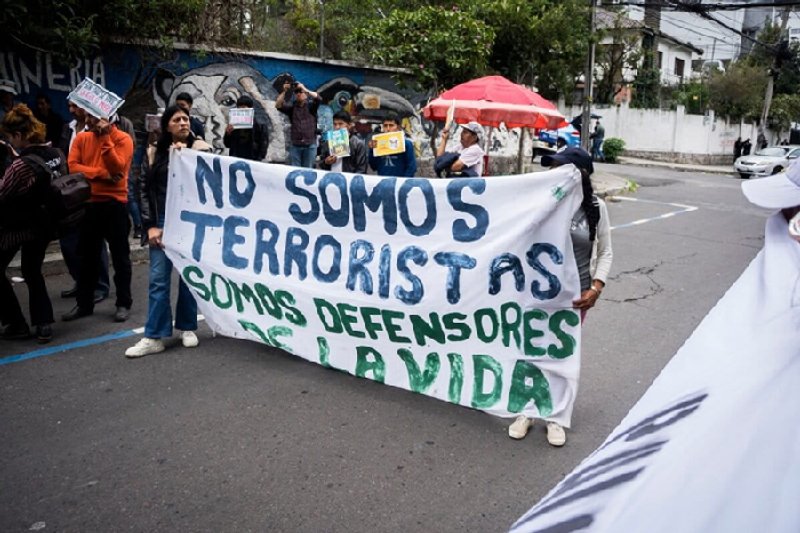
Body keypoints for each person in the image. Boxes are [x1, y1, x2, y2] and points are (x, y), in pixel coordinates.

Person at [508, 146, 613, 447]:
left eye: (561, 168)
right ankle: (525, 411)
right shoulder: (543, 203)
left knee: (560, 356)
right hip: (535, 293)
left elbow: (605, 252)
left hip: (575, 297)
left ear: (579, 175)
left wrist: (596, 288)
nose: (554, 173)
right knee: (528, 352)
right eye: (552, 168)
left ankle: (555, 417)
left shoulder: (596, 208)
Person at [125, 105, 212, 358]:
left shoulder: (202, 150)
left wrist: (188, 160)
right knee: (158, 280)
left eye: (186, 119)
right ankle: (154, 336)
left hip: (190, 221)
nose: (184, 123)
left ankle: (186, 327)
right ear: (167, 126)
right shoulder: (154, 152)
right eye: (177, 120)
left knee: (188, 277)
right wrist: (150, 225)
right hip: (162, 221)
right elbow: (142, 189)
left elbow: (212, 186)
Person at [0, 104, 66, 342]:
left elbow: (3, 192)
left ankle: (16, 323)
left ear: (18, 135)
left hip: (18, 227)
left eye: (9, 137)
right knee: (32, 270)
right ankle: (44, 323)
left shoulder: (20, 166)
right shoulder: (56, 154)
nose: (9, 141)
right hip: (45, 225)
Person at [63, 110, 134, 323]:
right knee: (87, 258)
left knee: (120, 257)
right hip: (89, 204)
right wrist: (102, 175)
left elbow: (118, 168)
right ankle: (84, 304)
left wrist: (104, 139)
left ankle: (123, 303)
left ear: (108, 118)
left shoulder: (123, 139)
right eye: (87, 116)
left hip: (115, 204)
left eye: (93, 117)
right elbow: (73, 167)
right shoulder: (82, 138)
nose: (88, 121)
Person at [59, 99, 110, 301]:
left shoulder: (99, 131)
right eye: (70, 106)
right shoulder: (67, 129)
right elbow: (68, 163)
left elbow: (107, 166)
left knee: (95, 242)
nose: (72, 110)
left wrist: (95, 172)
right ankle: (82, 282)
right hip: (70, 191)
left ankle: (101, 285)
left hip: (93, 192)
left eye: (76, 106)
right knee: (69, 243)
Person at [276, 80, 321, 168]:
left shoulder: (311, 106)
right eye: (296, 92)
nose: (299, 93)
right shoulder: (292, 108)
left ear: (306, 94)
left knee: (308, 171)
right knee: (294, 171)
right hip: (295, 146)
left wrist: (303, 88)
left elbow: (318, 98)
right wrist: (284, 91)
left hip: (310, 146)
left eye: (301, 92)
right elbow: (278, 105)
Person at [368, 112, 417, 177]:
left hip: (399, 183)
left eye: (391, 125)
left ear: (398, 127)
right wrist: (371, 150)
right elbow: (374, 166)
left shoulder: (407, 144)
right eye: (385, 126)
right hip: (382, 183)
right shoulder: (378, 144)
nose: (388, 129)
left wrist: (402, 183)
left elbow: (412, 168)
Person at [223, 94, 269, 162]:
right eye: (240, 107)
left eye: (244, 107)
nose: (242, 110)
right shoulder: (233, 124)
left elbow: (263, 143)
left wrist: (259, 159)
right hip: (236, 157)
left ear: (250, 109)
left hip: (252, 158)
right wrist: (228, 133)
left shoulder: (259, 124)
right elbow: (227, 144)